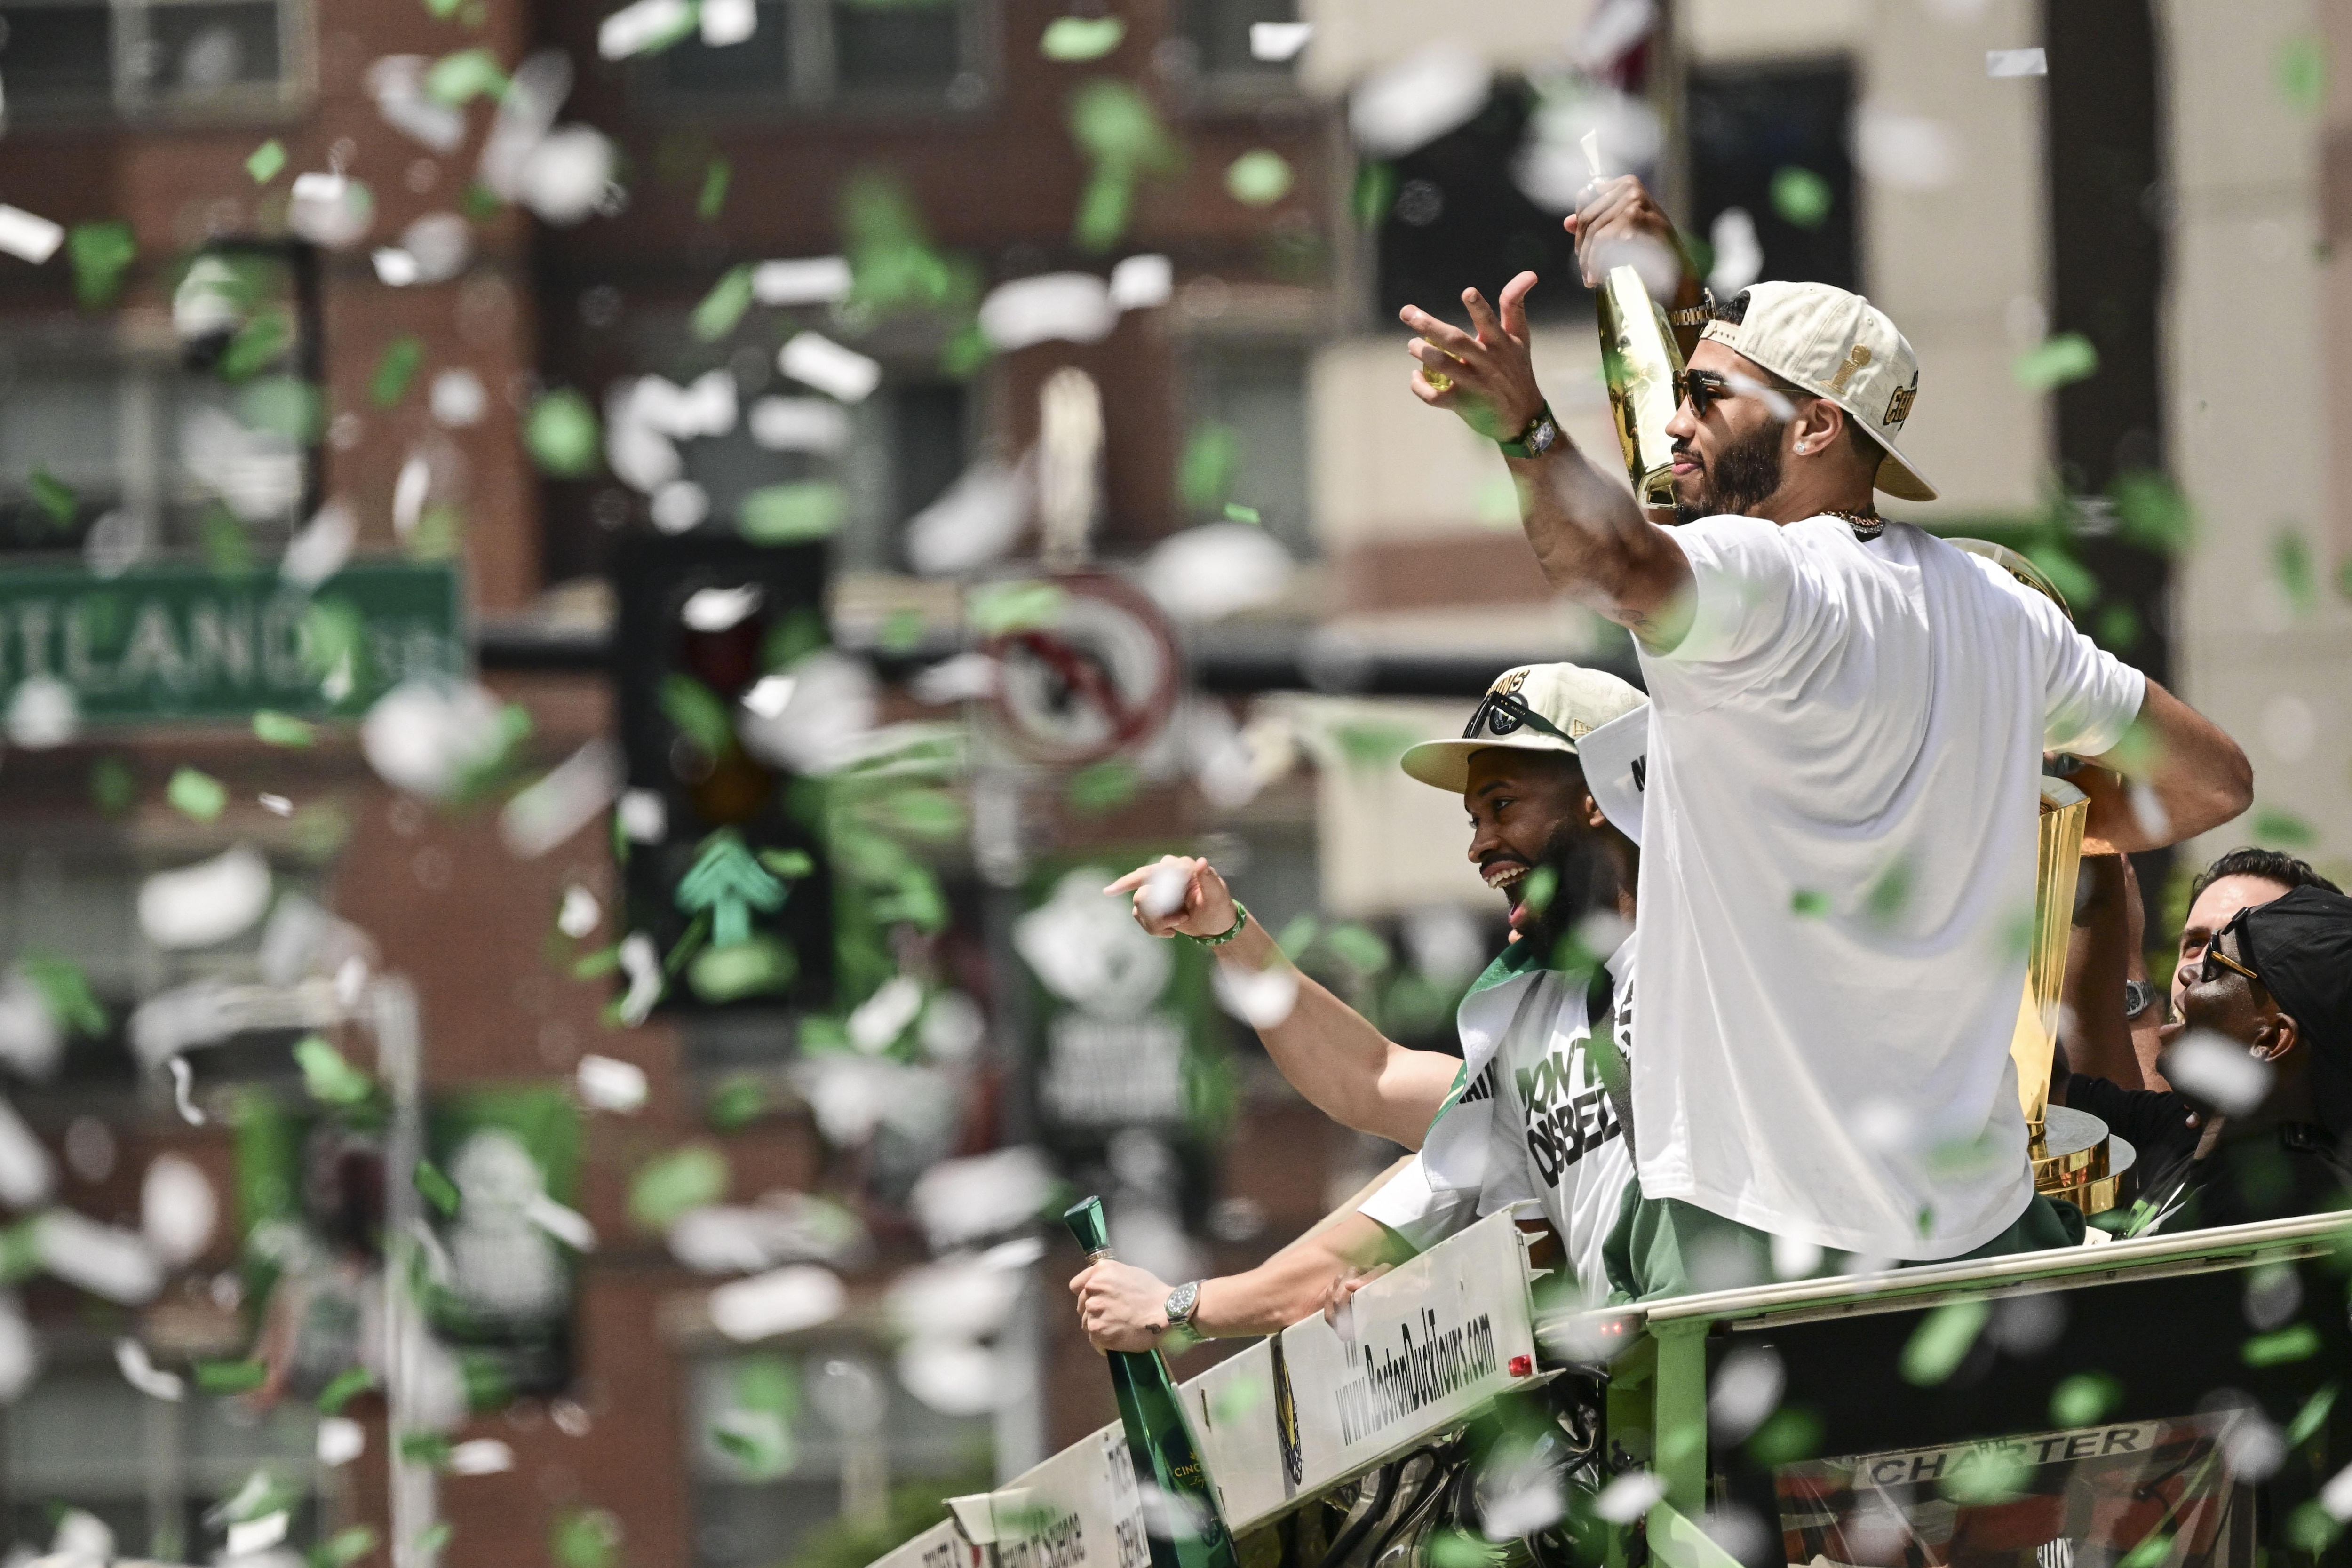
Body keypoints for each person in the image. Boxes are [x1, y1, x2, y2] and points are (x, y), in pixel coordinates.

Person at [1398, 175, 2254, 1297]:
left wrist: (1525, 427)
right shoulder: (2005, 615)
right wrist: (2019, 807)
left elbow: (1613, 557)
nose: (1670, 424)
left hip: (1751, 1219)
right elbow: (2213, 781)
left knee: (1703, 1479)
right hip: (1975, 1220)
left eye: (1703, 400)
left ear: (1812, 426)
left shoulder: (1764, 581)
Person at [1070, 664, 1648, 1352]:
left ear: (1598, 792)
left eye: (1502, 806)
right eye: (1474, 818)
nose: (1479, 845)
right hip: (1655, 1417)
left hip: (1760, 1382)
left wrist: (1176, 1309)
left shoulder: (1710, 956)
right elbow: (1371, 1077)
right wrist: (1227, 932)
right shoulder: (1532, 1020)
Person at [2119, 884, 2352, 1234]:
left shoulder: (2270, 1207)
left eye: (2214, 968)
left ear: (2271, 1039)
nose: (2187, 975)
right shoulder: (2220, 1153)